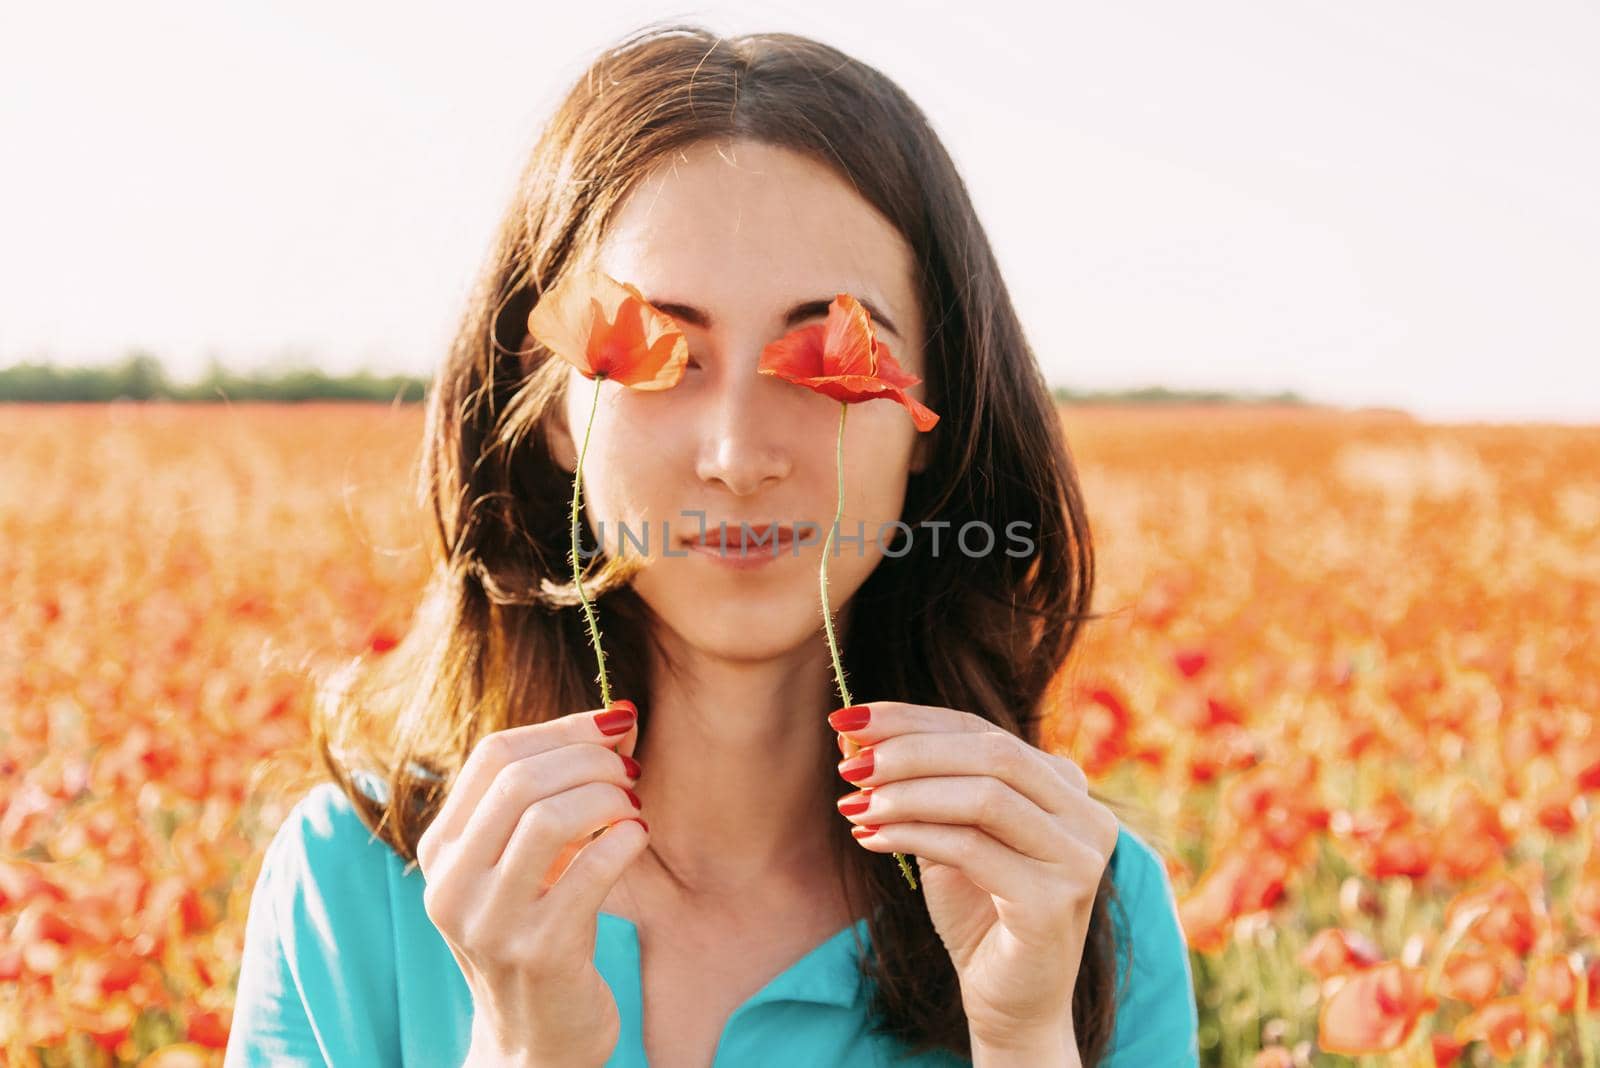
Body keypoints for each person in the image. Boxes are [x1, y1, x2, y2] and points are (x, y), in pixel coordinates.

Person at [225, 21, 1200, 1068]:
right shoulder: (352, 885)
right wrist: (524, 1048)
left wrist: (1022, 1039)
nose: (738, 455)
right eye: (662, 357)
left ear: (939, 417)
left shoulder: (1073, 899)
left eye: (829, 360)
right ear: (554, 413)